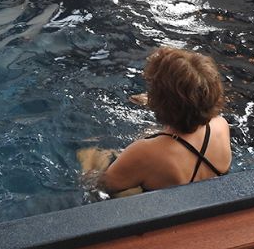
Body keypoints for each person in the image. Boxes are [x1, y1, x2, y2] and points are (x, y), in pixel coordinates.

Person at [78, 47, 231, 195]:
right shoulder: (220, 126)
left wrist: (91, 162)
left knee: (96, 160)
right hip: (211, 202)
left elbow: (99, 189)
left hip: (170, 215)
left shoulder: (144, 152)